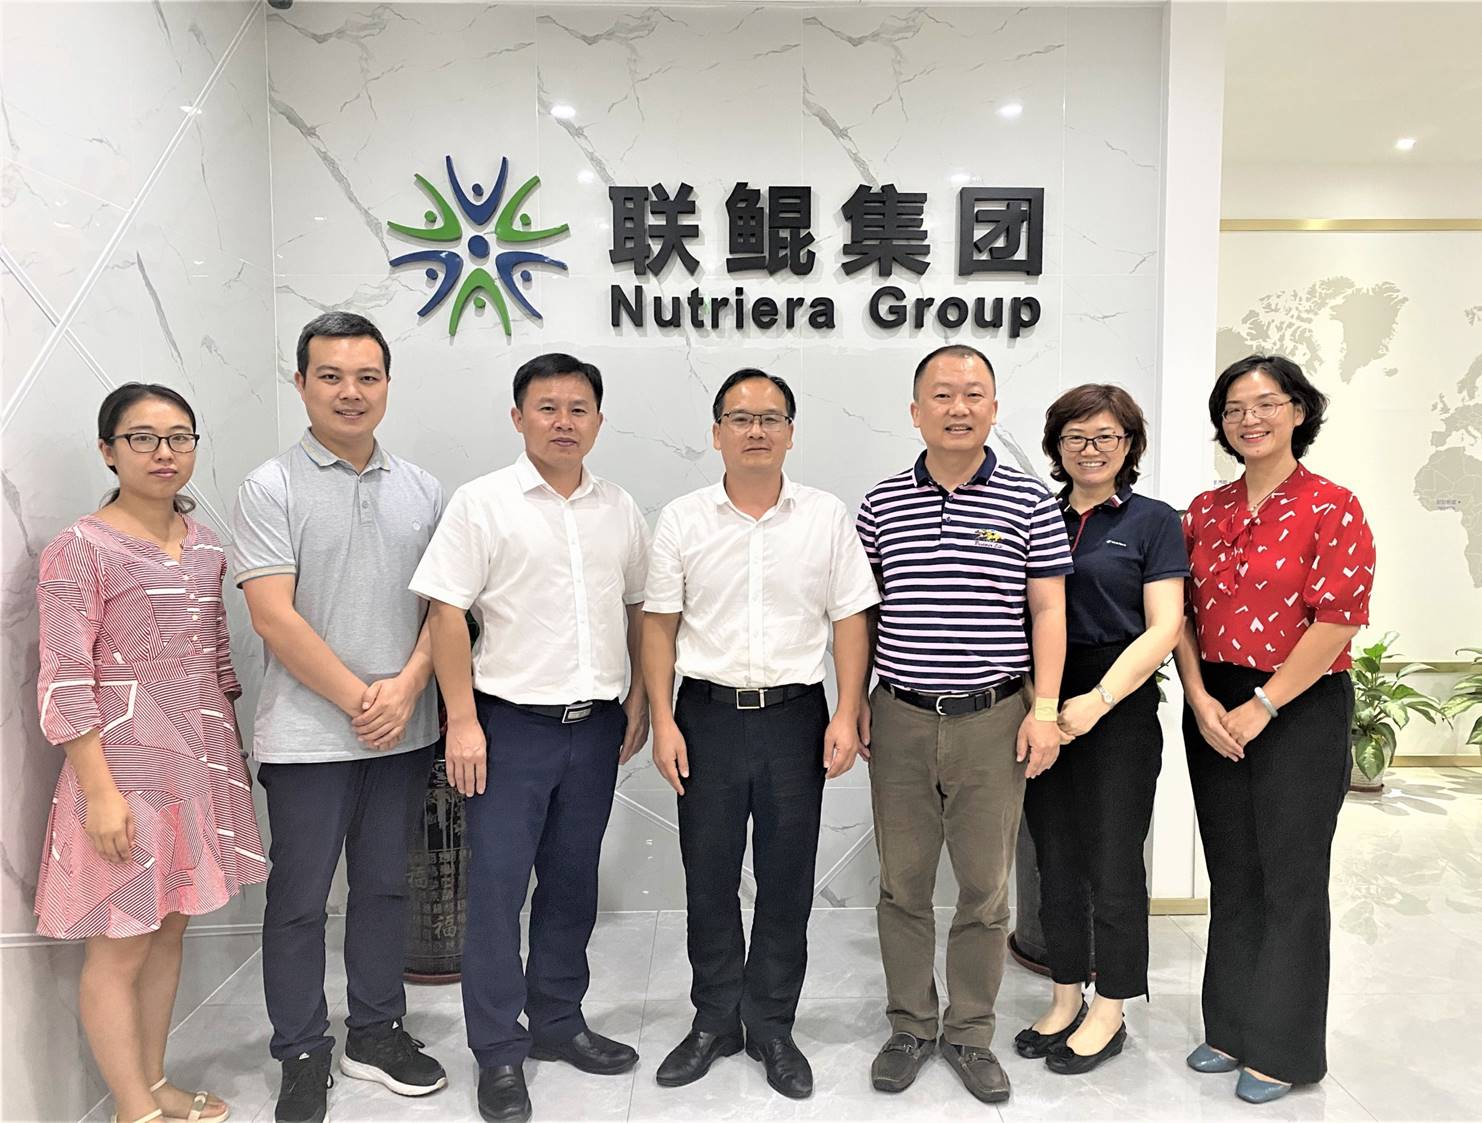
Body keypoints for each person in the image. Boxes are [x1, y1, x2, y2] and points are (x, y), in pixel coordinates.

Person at [410, 353, 650, 1123]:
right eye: (547, 407)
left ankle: (557, 1021)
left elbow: (640, 609)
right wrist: (464, 718)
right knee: (497, 892)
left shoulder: (620, 507)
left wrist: (642, 695)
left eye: (578, 408)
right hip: (508, 727)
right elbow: (446, 613)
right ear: (518, 418)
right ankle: (498, 1052)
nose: (563, 421)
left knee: (571, 883)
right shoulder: (482, 504)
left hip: (597, 725)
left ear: (599, 421)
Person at [232, 312, 447, 1123]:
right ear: (301, 384)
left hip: (403, 731)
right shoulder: (271, 486)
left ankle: (376, 1031)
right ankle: (302, 1049)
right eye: (330, 376)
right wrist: (365, 697)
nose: (350, 392)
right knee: (298, 900)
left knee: (387, 889)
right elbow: (273, 617)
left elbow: (444, 610)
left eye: (366, 376)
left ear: (387, 384)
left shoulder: (423, 489)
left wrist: (406, 687)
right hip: (309, 736)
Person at [643, 369, 879, 1100]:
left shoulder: (825, 517)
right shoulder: (682, 518)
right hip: (705, 716)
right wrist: (661, 717)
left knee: (786, 881)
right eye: (740, 418)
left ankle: (772, 1023)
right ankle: (714, 1019)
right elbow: (659, 623)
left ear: (790, 433)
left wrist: (846, 710)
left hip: (795, 718)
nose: (756, 429)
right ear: (716, 433)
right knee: (708, 876)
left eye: (771, 417)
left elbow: (850, 618)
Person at [34, 383, 266, 1123]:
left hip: (196, 768)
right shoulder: (80, 549)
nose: (164, 452)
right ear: (108, 449)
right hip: (122, 775)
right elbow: (66, 678)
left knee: (170, 928)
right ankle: (132, 1107)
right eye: (142, 437)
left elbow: (217, 665)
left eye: (179, 436)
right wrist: (99, 791)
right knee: (119, 946)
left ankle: (156, 1078)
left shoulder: (205, 548)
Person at [857, 344, 1073, 1105]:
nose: (958, 407)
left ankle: (970, 1031)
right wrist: (853, 705)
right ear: (915, 411)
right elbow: (861, 616)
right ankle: (911, 1024)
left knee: (985, 889)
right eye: (942, 395)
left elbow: (1049, 608)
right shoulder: (880, 503)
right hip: (901, 717)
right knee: (902, 883)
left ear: (993, 407)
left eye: (973, 393)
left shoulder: (1028, 500)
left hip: (995, 719)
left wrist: (1043, 711)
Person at [1174, 355, 1374, 1104]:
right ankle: (1228, 1027)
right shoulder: (1204, 509)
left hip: (1300, 702)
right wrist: (1199, 697)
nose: (1248, 418)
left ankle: (1284, 1049)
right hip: (1216, 703)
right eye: (1233, 407)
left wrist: (1264, 703)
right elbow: (1181, 617)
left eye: (1265, 403)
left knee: (1291, 878)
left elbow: (1336, 620)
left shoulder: (1332, 505)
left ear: (1298, 411)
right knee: (1234, 872)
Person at [1013, 384, 1188, 1074]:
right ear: (1057, 446)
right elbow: (1018, 622)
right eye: (1076, 436)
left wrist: (1100, 699)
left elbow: (1166, 626)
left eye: (1106, 436)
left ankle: (1111, 1004)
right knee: (1052, 855)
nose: (1090, 449)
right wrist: (1044, 707)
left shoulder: (1151, 521)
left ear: (1128, 446)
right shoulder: (1038, 514)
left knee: (1114, 860)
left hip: (1119, 703)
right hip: (1044, 703)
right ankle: (1064, 994)